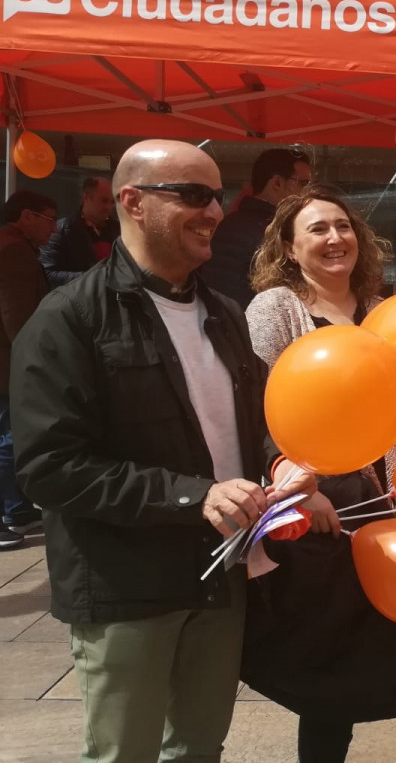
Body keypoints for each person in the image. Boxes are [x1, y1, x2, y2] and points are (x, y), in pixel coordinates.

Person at [11, 139, 314, 763]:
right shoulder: (69, 318)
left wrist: (281, 461)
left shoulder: (224, 314)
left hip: (222, 576)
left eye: (217, 195)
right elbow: (50, 466)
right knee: (126, 753)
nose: (215, 210)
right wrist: (195, 494)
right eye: (194, 195)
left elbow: (256, 420)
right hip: (127, 584)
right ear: (132, 201)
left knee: (200, 748)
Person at [242, 186, 396, 762]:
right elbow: (260, 407)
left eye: (343, 226)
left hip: (376, 502)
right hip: (316, 509)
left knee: (350, 659)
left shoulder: (379, 306)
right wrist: (302, 485)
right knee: (326, 667)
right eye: (317, 229)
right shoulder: (276, 309)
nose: (334, 238)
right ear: (289, 249)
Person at [0, 190, 57, 548]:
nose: (54, 228)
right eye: (49, 219)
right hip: (8, 361)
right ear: (27, 216)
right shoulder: (14, 250)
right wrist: (30, 361)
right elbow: (16, 316)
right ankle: (8, 511)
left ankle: (17, 507)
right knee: (9, 437)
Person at [200, 146, 313, 309]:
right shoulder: (274, 230)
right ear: (277, 183)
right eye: (303, 183)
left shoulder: (232, 221)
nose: (308, 192)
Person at [40, 176, 118, 286]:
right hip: (79, 299)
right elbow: (48, 275)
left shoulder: (119, 230)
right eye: (104, 201)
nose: (109, 207)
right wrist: (94, 278)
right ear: (86, 197)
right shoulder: (61, 230)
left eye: (112, 202)